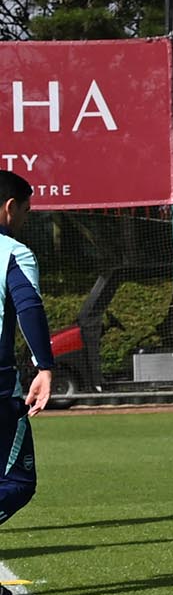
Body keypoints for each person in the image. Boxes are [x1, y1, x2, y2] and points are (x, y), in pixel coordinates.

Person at [0, 171, 49, 528]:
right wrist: (44, 366)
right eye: (26, 211)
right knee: (17, 482)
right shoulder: (13, 253)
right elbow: (29, 306)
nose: (23, 219)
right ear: (9, 208)